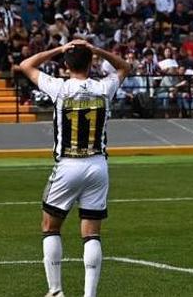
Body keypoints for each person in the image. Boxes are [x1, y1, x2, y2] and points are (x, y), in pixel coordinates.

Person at [16, 39, 130, 297]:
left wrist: (59, 49)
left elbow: (26, 65)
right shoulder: (103, 88)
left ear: (66, 65)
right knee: (91, 234)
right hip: (98, 165)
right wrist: (96, 50)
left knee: (50, 226)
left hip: (68, 163)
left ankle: (56, 290)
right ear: (91, 63)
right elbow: (124, 67)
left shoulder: (59, 87)